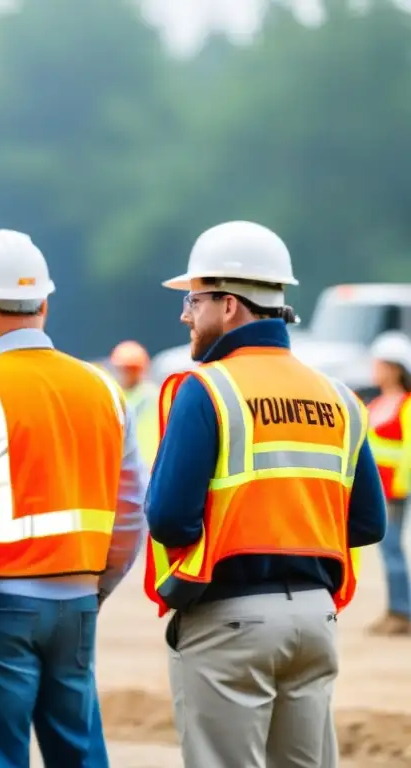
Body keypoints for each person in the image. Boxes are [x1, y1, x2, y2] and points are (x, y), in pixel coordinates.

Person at [143, 220, 388, 768]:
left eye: (193, 299)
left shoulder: (207, 388)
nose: (186, 314)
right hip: (315, 620)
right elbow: (368, 524)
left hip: (228, 618)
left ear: (229, 306)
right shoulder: (341, 399)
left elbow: (168, 519)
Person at [0, 229, 146, 768]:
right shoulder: (104, 389)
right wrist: (101, 583)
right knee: (79, 748)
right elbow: (133, 506)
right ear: (44, 304)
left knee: (1, 754)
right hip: (79, 601)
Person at [365, 330, 411, 636]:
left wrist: (399, 486)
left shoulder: (405, 404)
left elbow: (407, 449)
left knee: (392, 549)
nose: (374, 369)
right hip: (377, 488)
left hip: (393, 489)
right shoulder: (378, 402)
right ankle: (396, 608)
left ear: (394, 367)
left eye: (380, 364)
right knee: (386, 550)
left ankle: (402, 611)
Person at [109, 340, 159, 468]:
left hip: (147, 465)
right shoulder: (113, 394)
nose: (126, 373)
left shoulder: (152, 395)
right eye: (123, 369)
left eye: (132, 369)